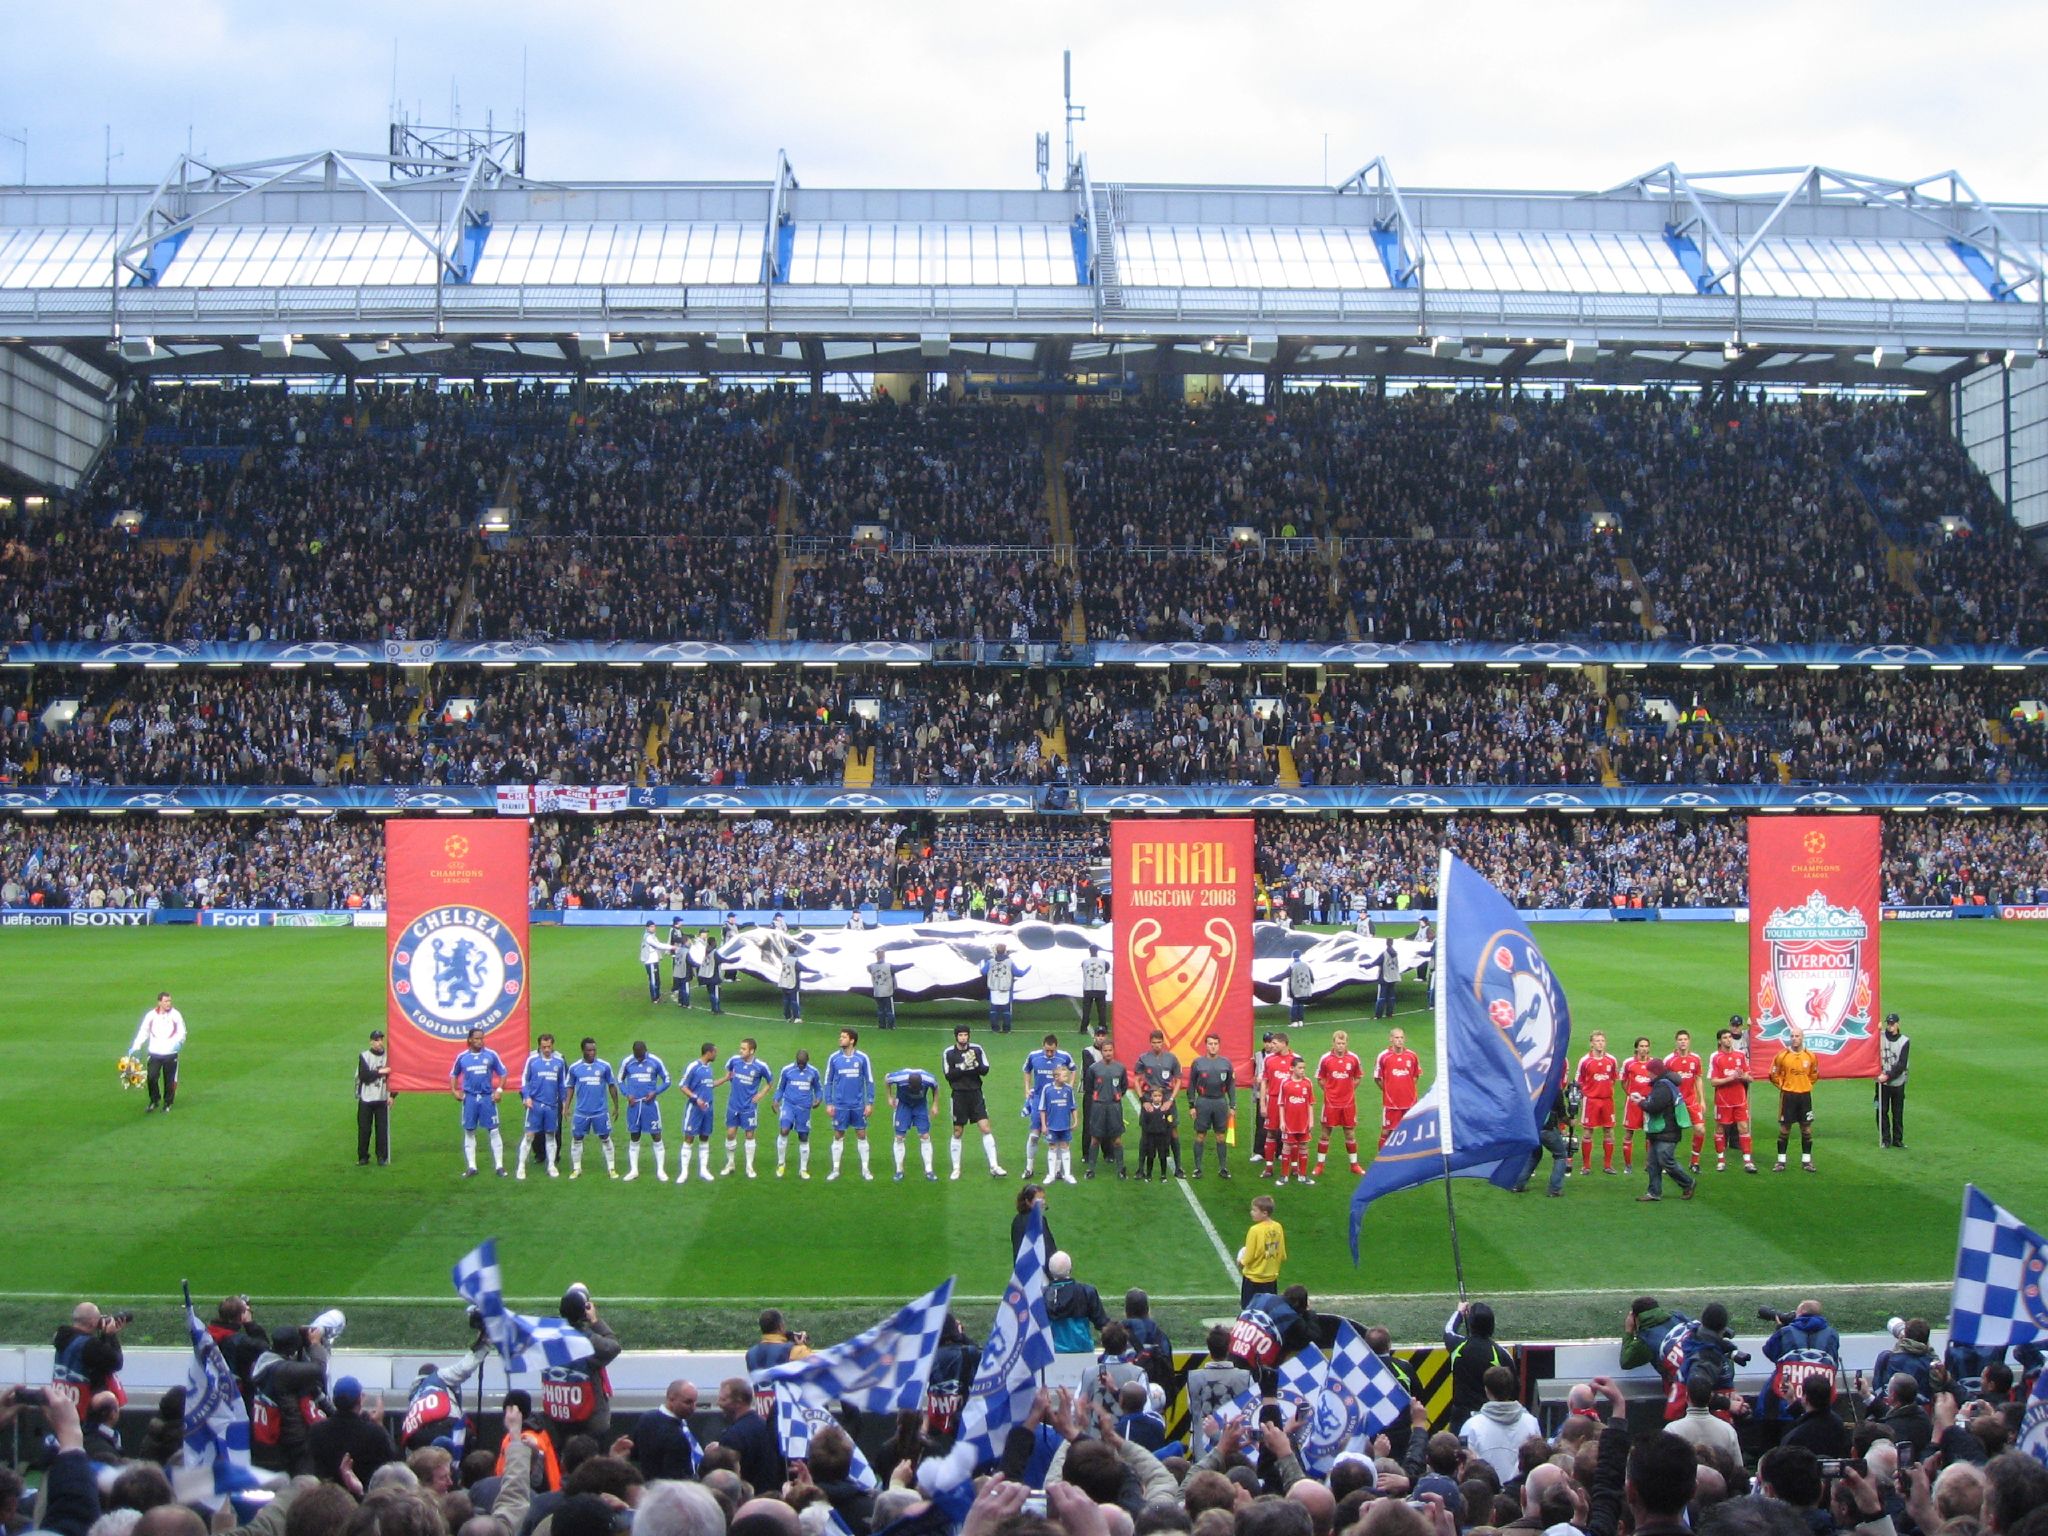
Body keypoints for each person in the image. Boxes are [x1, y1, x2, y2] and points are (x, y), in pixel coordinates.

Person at [547, 1285, 622, 1448]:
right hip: (590, 1421)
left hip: (560, 1416)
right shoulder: (589, 1343)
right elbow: (613, 1346)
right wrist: (595, 1321)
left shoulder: (548, 1337)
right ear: (584, 1312)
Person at [942, 1025, 1007, 1179]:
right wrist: (964, 1066)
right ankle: (956, 1168)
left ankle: (994, 1165)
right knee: (958, 1131)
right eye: (961, 1035)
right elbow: (949, 1075)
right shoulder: (949, 1053)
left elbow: (985, 1070)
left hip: (976, 1094)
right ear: (956, 1036)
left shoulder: (977, 1050)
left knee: (985, 1128)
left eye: (966, 1035)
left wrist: (975, 1064)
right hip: (958, 1095)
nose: (963, 1038)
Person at [308, 1375, 397, 1485]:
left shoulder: (317, 1431)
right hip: (364, 1497)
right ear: (360, 1399)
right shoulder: (374, 1433)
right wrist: (379, 1424)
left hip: (328, 1495)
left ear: (334, 1399)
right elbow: (393, 1461)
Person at [1460, 1365, 1541, 1481]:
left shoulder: (1471, 1426)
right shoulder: (1531, 1423)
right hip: (1521, 1491)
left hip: (1484, 1494)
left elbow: (1465, 1466)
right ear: (1511, 1388)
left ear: (1487, 1390)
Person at [450, 1026, 510, 1179]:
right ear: (470, 1040)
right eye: (476, 1038)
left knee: (494, 1130)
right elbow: (454, 1074)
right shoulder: (462, 1057)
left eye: (481, 1038)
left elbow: (503, 1073)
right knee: (469, 1131)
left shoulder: (491, 1055)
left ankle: (499, 1166)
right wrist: (454, 1090)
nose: (479, 1041)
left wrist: (499, 1091)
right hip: (469, 1098)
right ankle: (472, 1166)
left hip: (486, 1097)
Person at [1636, 1056, 1698, 1202]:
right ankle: (1654, 1192)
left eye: (1649, 1072)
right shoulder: (1666, 1084)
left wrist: (1640, 1102)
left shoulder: (1662, 1086)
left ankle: (1688, 1183)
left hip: (1667, 1130)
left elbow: (1654, 1107)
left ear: (1655, 1072)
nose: (1648, 1075)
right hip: (1663, 1130)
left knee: (1665, 1160)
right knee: (1653, 1163)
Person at [1444, 1302, 1513, 1428]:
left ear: (1471, 1325)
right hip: (1492, 1418)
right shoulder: (1501, 1353)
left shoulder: (1457, 1346)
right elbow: (1513, 1388)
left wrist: (1459, 1312)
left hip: (1461, 1418)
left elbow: (1448, 1331)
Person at [710, 1379, 783, 1494]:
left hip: (747, 1499)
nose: (719, 1404)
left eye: (723, 1399)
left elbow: (727, 1480)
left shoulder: (733, 1436)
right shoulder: (765, 1426)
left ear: (739, 1402)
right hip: (771, 1495)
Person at [50, 1303, 126, 1414]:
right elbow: (115, 1362)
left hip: (62, 1408)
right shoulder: (89, 1344)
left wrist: (104, 1336)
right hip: (85, 1411)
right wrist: (111, 1336)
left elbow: (96, 1356)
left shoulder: (61, 1337)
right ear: (92, 1322)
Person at [1022, 1033, 1076, 1178]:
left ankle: (1057, 1171)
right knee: (1034, 1135)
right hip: (1039, 1100)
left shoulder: (1064, 1056)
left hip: (1057, 1101)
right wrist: (1027, 1088)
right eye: (1047, 1050)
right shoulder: (1034, 1056)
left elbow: (1073, 1069)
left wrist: (1069, 1087)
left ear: (1056, 1047)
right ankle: (1029, 1168)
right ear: (1043, 1046)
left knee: (1058, 1135)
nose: (1050, 1053)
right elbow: (1027, 1070)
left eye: (1052, 1050)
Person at [825, 1028, 876, 1182]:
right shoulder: (834, 1058)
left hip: (858, 1105)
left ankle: (865, 1169)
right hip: (840, 1105)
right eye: (840, 1036)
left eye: (844, 1037)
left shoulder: (862, 1058)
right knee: (838, 1134)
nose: (840, 1039)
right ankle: (835, 1169)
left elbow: (870, 1081)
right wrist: (829, 1102)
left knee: (861, 1134)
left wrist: (870, 1102)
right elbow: (828, 1081)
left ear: (852, 1040)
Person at [1314, 1030, 1366, 1178]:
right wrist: (1330, 1091)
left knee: (1350, 1133)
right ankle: (1319, 1165)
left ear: (1346, 1043)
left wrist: (1348, 1091)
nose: (1340, 1046)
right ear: (1333, 1043)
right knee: (1325, 1134)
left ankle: (1354, 1165)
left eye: (1343, 1043)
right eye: (1338, 1043)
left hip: (1348, 1104)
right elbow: (1320, 1079)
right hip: (1330, 1104)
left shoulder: (1353, 1058)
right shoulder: (1325, 1059)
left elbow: (1357, 1077)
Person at [566, 1035, 620, 1180]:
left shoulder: (604, 1066)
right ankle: (577, 1168)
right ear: (583, 1050)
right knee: (577, 1138)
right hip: (581, 1112)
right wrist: (566, 1107)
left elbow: (612, 1086)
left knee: (605, 1137)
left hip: (600, 1111)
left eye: (594, 1050)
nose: (592, 1053)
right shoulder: (575, 1068)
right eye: (589, 1050)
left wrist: (616, 1106)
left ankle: (611, 1168)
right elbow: (570, 1087)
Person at [1132, 1030, 1186, 1176]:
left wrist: (1170, 1100)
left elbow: (1179, 1080)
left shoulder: (1171, 1058)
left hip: (1167, 1099)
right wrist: (1143, 1100)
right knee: (1145, 1133)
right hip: (1150, 1099)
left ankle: (1178, 1167)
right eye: (1154, 1042)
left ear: (1163, 1042)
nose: (1156, 1045)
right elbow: (1136, 1080)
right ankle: (1140, 1169)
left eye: (1159, 1042)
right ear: (1150, 1043)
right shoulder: (1143, 1058)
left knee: (1173, 1131)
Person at [617, 1041, 671, 1183]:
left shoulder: (655, 1061)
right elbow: (619, 1080)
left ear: (645, 1051)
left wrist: (655, 1092)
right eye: (637, 1056)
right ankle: (634, 1170)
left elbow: (667, 1080)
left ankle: (661, 1170)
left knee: (656, 1135)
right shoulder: (628, 1062)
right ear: (633, 1052)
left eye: (641, 1056)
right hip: (634, 1105)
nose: (639, 1058)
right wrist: (627, 1094)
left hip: (650, 1106)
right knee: (634, 1136)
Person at [719, 1038, 773, 1178]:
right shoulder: (734, 1061)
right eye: (740, 1048)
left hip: (749, 1107)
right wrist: (727, 1078)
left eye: (743, 1049)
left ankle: (749, 1166)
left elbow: (770, 1082)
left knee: (749, 1135)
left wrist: (761, 1094)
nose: (740, 1051)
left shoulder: (760, 1066)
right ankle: (730, 1163)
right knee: (730, 1133)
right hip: (733, 1105)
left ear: (752, 1051)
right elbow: (728, 1073)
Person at [518, 1033, 570, 1180]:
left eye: (548, 1047)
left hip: (552, 1106)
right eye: (543, 1047)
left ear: (552, 1046)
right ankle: (521, 1166)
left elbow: (562, 1084)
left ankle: (551, 1165)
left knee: (550, 1135)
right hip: (535, 1105)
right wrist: (526, 1097)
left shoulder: (559, 1061)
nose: (546, 1049)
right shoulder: (532, 1060)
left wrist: (565, 1102)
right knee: (529, 1136)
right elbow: (524, 1080)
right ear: (539, 1046)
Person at [1186, 1032, 1236, 1179]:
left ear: (1219, 1046)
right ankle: (1198, 1168)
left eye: (1215, 1044)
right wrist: (1191, 1105)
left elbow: (1231, 1085)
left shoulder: (1226, 1063)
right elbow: (1191, 1085)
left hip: (1220, 1102)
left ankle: (1223, 1168)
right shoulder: (1198, 1063)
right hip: (1203, 1102)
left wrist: (1232, 1105)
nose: (1213, 1047)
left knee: (1220, 1136)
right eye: (1210, 1044)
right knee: (1200, 1135)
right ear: (1206, 1046)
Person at [1709, 1022, 1757, 1174]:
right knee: (1720, 1128)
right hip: (1723, 1100)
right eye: (1725, 1037)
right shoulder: (1715, 1057)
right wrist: (1730, 1078)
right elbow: (1713, 1081)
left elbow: (1750, 1078)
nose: (1728, 1040)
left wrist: (1744, 1076)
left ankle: (1748, 1161)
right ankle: (1721, 1160)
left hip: (1740, 1099)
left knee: (1743, 1127)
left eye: (1729, 1037)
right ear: (1719, 1041)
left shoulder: (1740, 1055)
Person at [631, 1381, 702, 1483]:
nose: (693, 1408)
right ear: (671, 1399)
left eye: (695, 1402)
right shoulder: (675, 1436)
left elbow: (634, 1456)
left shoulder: (646, 1418)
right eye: (688, 1402)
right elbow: (679, 1478)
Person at [1770, 1026, 1819, 1172]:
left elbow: (1814, 1074)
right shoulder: (1782, 1056)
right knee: (1785, 1129)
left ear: (1802, 1037)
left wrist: (1805, 1084)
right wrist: (1784, 1086)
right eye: (1792, 1036)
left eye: (1797, 1036)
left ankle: (1806, 1161)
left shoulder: (1810, 1056)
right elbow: (1773, 1074)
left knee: (1806, 1129)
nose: (1794, 1038)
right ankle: (1781, 1161)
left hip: (1804, 1096)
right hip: (1788, 1096)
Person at [129, 991, 187, 1113]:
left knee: (169, 1080)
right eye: (166, 1001)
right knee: (151, 1077)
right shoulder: (150, 1016)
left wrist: (177, 1044)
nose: (168, 1003)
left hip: (170, 1053)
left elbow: (182, 1032)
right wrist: (136, 1046)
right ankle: (154, 1100)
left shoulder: (176, 1015)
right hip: (154, 1053)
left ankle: (168, 1103)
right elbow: (143, 1031)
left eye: (169, 1001)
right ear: (159, 1002)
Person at [1084, 1033, 1130, 1180]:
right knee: (1095, 1139)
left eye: (1110, 1050)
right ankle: (1091, 1169)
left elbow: (1123, 1087)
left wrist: (1115, 1097)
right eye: (1105, 1050)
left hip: (1114, 1107)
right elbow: (1089, 1087)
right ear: (1101, 1052)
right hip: (1098, 1107)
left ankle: (1121, 1168)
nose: (1108, 1053)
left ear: (1113, 1051)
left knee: (1117, 1139)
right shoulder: (1094, 1068)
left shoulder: (1120, 1068)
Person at [773, 1049, 824, 1179]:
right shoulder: (787, 1070)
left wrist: (818, 1099)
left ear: (807, 1061)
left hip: (804, 1108)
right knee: (784, 1130)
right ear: (796, 1060)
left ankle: (803, 1169)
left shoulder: (813, 1072)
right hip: (788, 1105)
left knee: (803, 1137)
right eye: (799, 1063)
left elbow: (818, 1089)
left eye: (803, 1063)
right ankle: (781, 1164)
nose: (801, 1065)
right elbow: (780, 1088)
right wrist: (776, 1100)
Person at [887, 1065, 941, 1182]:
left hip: (920, 1106)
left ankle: (929, 1170)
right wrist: (889, 1097)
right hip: (903, 1105)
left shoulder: (929, 1079)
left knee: (925, 1136)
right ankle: (899, 1170)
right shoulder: (900, 1077)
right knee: (899, 1137)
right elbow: (887, 1079)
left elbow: (935, 1087)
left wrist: (935, 1104)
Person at [1576, 1030, 1619, 1174]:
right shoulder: (1585, 1061)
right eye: (1597, 1041)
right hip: (1591, 1101)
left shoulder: (1611, 1060)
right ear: (1591, 1043)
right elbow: (1579, 1080)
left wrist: (1605, 1090)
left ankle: (1607, 1165)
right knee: (1588, 1132)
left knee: (1609, 1131)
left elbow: (1613, 1078)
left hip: (1607, 1100)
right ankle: (1586, 1166)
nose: (1600, 1043)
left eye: (1602, 1041)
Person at [1667, 1029, 1708, 1173]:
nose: (1683, 1042)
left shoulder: (1695, 1059)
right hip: (1675, 1103)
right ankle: (1668, 1163)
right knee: (1671, 1134)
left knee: (1700, 1129)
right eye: (1680, 1039)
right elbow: (1665, 1082)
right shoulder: (1669, 1060)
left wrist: (1702, 1100)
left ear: (1689, 1041)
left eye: (1685, 1039)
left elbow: (1698, 1078)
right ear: (1676, 1042)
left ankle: (1694, 1162)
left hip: (1691, 1101)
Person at [677, 1042, 719, 1183]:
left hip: (708, 1109)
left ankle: (704, 1170)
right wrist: (696, 1098)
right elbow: (682, 1086)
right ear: (709, 1052)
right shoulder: (693, 1066)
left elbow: (709, 1085)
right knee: (689, 1138)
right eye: (715, 1052)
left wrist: (726, 1078)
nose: (716, 1055)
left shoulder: (708, 1068)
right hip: (695, 1109)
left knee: (705, 1137)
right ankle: (684, 1172)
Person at [1373, 1027, 1420, 1151]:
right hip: (1391, 1104)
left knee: (1410, 1132)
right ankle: (1382, 1161)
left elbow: (1415, 1076)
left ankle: (1407, 1158)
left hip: (1410, 1103)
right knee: (1386, 1132)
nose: (1399, 1040)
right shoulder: (1383, 1057)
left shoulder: (1412, 1056)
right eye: (1397, 1038)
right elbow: (1377, 1078)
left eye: (1401, 1037)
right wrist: (1388, 1091)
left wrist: (1407, 1088)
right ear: (1391, 1039)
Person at [1274, 1057, 1317, 1185]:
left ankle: (1303, 1175)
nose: (1302, 1070)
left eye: (1304, 1068)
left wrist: (1311, 1120)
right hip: (1289, 1122)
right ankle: (1284, 1176)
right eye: (1300, 1068)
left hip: (1304, 1122)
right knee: (1287, 1147)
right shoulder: (1285, 1083)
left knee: (1304, 1146)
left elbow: (1310, 1103)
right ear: (1292, 1068)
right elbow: (1281, 1103)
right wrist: (1282, 1121)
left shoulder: (1308, 1083)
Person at [1236, 1194, 1286, 1306]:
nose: (1251, 1212)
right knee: (1268, 1308)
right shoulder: (1278, 1227)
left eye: (1254, 1210)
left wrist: (1241, 1262)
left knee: (1249, 1309)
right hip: (1271, 1278)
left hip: (1254, 1278)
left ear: (1264, 1213)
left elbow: (1250, 1254)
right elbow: (1281, 1251)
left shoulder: (1255, 1230)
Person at [1619, 1036, 1658, 1175]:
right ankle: (1628, 1165)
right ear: (1636, 1048)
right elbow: (1623, 1081)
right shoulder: (1629, 1063)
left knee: (1650, 1134)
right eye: (1641, 1046)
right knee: (1629, 1133)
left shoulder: (1653, 1064)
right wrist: (1630, 1094)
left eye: (1646, 1046)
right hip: (1633, 1105)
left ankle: (1649, 1163)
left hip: (1649, 1103)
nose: (1644, 1049)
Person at [1038, 1064, 1080, 1184]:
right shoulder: (1047, 1089)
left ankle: (1067, 1174)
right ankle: (1051, 1174)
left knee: (1065, 1147)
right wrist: (1044, 1125)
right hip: (1052, 1125)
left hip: (1065, 1125)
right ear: (1056, 1077)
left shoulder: (1068, 1089)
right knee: (1052, 1147)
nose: (1066, 1077)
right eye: (1064, 1075)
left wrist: (1075, 1120)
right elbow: (1042, 1108)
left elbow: (1073, 1107)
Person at [356, 1029, 392, 1167]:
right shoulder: (364, 1056)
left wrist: (393, 1095)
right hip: (366, 1098)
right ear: (371, 1042)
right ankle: (363, 1156)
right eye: (376, 1040)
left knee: (382, 1129)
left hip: (382, 1098)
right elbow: (364, 1076)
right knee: (364, 1129)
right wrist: (380, 1071)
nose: (379, 1043)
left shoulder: (389, 1057)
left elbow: (394, 1078)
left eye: (380, 1040)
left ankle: (382, 1156)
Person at [1878, 1012, 1910, 1149]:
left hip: (1897, 1082)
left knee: (1897, 1112)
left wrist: (1888, 1076)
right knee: (1881, 1111)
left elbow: (1901, 1065)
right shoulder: (1880, 1036)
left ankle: (1898, 1139)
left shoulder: (1904, 1041)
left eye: (1892, 1024)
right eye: (1888, 1024)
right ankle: (1885, 1139)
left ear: (1897, 1024)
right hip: (1882, 1082)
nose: (1890, 1026)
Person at [983, 942, 1027, 1034]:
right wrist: (1028, 969)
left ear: (995, 951)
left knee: (993, 1010)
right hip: (1006, 990)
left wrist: (981, 964)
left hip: (994, 989)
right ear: (1005, 951)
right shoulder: (1009, 962)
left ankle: (995, 1029)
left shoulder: (990, 962)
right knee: (1006, 1011)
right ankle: (1006, 1029)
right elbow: (1019, 973)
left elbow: (983, 972)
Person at [1136, 1088, 1174, 1181]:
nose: (1157, 1098)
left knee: (1162, 1156)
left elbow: (1170, 1123)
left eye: (1159, 1096)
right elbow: (1143, 1122)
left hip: (1162, 1137)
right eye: (1155, 1096)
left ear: (1162, 1097)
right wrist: (1148, 1132)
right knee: (1150, 1156)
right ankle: (1149, 1174)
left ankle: (1163, 1175)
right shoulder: (1147, 1109)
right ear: (1151, 1097)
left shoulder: (1166, 1109)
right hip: (1151, 1137)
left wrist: (1167, 1137)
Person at [1013, 1184, 1058, 1257]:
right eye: (1038, 1200)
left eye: (1043, 1198)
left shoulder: (1040, 1219)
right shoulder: (1024, 1222)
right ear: (1028, 1201)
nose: (1043, 1202)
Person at [639, 924, 674, 1004]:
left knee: (656, 979)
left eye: (654, 926)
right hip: (650, 961)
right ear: (647, 928)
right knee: (654, 980)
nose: (653, 928)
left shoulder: (652, 936)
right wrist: (671, 947)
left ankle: (657, 995)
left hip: (654, 961)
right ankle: (655, 998)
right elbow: (658, 945)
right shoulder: (649, 937)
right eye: (651, 927)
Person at [1080, 944, 1110, 1032]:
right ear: (1097, 951)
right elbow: (1105, 970)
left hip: (1088, 988)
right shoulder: (1104, 961)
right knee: (1101, 1010)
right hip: (1101, 988)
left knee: (1086, 1010)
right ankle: (1103, 1027)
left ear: (1089, 951)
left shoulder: (1084, 962)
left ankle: (1083, 1028)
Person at [868, 954, 899, 1031]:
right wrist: (911, 964)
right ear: (884, 956)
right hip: (887, 992)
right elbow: (899, 968)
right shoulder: (888, 966)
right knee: (889, 1011)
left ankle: (881, 1026)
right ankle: (891, 1026)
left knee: (880, 1010)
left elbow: (869, 968)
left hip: (877, 992)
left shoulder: (871, 966)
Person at [669, 918, 694, 1009]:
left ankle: (680, 1000)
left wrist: (688, 935)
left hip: (678, 953)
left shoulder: (678, 930)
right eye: (680, 922)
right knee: (682, 978)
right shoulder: (673, 930)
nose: (682, 923)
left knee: (678, 973)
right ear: (677, 923)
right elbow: (676, 938)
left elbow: (682, 935)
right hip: (677, 954)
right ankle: (685, 1002)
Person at [776, 949, 803, 1026]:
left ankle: (787, 1017)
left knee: (786, 1001)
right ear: (794, 951)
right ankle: (796, 1017)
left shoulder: (784, 958)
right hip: (792, 983)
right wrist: (816, 971)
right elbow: (802, 968)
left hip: (784, 981)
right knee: (794, 1001)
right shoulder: (794, 960)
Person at [1372, 942, 1399, 1020]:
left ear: (1386, 943)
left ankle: (1378, 1015)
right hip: (1393, 977)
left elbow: (1376, 962)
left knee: (1381, 998)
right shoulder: (1396, 954)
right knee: (1391, 997)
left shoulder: (1384, 954)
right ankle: (1389, 1013)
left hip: (1384, 978)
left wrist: (1365, 966)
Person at [1287, 955, 1314, 1029]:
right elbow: (1310, 974)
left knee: (1294, 1005)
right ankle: (1301, 1021)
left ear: (1293, 956)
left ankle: (1294, 1022)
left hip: (1295, 988)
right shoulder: (1305, 965)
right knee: (1301, 1004)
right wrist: (1312, 981)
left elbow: (1285, 974)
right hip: (1303, 988)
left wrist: (1272, 979)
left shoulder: (1292, 965)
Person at [700, 935, 725, 1015]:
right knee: (716, 993)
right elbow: (721, 960)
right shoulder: (714, 952)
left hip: (706, 975)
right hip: (713, 976)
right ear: (713, 943)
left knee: (711, 993)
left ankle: (713, 1008)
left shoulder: (706, 951)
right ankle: (716, 1009)